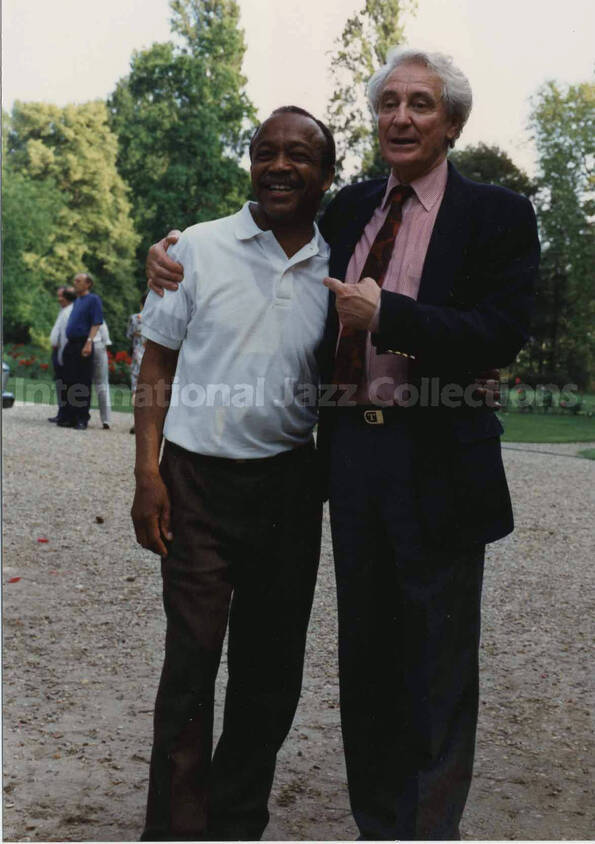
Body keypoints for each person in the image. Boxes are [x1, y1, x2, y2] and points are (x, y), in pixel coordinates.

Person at [147, 47, 540, 840]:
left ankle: (422, 832)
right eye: (388, 102)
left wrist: (390, 316)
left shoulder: (496, 213)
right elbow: (266, 225)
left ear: (452, 122)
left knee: (434, 668)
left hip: (437, 467)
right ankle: (374, 823)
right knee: (363, 663)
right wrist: (167, 251)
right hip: (348, 465)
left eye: (420, 104)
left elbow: (501, 329)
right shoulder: (350, 208)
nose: (400, 117)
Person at [131, 106, 335, 841]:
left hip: (287, 486)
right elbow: (156, 362)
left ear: (326, 173)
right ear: (249, 162)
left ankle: (235, 821)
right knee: (190, 664)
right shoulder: (196, 247)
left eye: (298, 155)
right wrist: (146, 474)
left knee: (270, 671)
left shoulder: (335, 261)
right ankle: (175, 830)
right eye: (264, 151)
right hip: (195, 484)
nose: (278, 165)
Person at [60, 272, 103, 430]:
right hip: (71, 344)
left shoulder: (93, 300)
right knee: (69, 380)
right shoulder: (77, 301)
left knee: (82, 382)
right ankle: (70, 416)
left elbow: (96, 322)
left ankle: (81, 418)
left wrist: (89, 342)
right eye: (75, 280)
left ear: (88, 284)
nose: (75, 283)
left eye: (78, 281)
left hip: (83, 343)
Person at [48, 285, 76, 423]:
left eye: (61, 296)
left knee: (65, 383)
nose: (59, 299)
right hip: (57, 351)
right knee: (60, 383)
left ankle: (65, 413)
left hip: (63, 351)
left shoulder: (71, 311)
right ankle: (61, 411)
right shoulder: (63, 310)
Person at [126, 294, 147, 434]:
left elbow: (129, 335)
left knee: (136, 388)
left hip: (138, 354)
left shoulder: (135, 318)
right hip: (153, 355)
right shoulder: (159, 318)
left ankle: (137, 421)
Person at [92, 320, 112, 429]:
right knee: (102, 385)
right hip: (99, 345)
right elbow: (105, 337)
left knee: (82, 383)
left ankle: (80, 417)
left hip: (87, 345)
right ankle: (106, 419)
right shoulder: (98, 315)